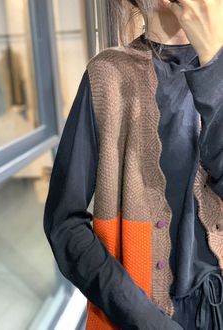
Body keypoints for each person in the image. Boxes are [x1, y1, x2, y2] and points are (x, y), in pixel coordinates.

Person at [43, 0, 223, 329]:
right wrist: (141, 317)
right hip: (141, 311)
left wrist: (215, 60)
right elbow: (63, 222)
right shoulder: (107, 74)